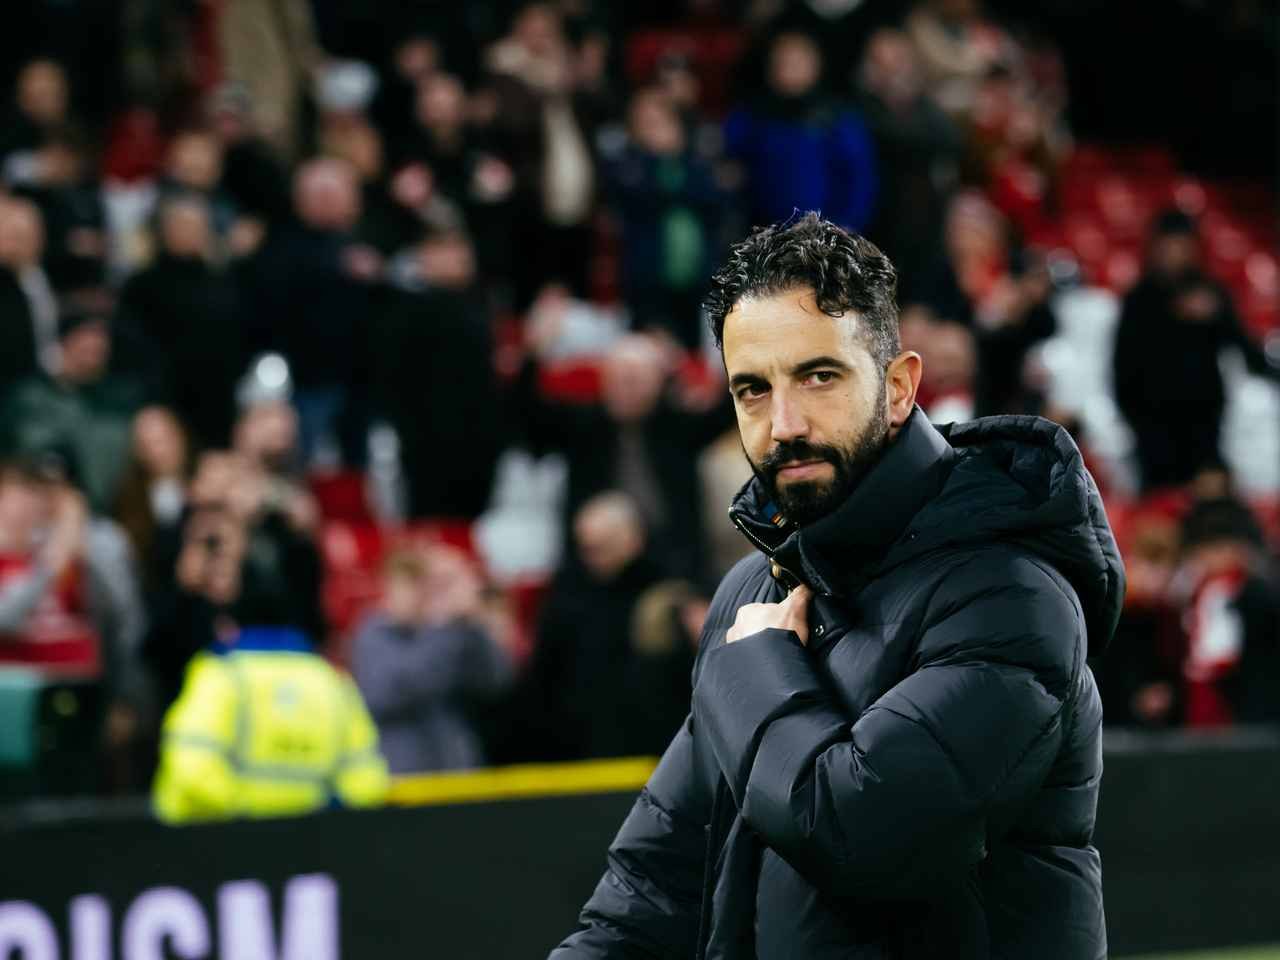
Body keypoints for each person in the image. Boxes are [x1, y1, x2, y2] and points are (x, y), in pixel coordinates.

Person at [551, 213, 1122, 959]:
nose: (783, 423)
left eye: (818, 376)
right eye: (752, 390)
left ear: (897, 388)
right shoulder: (751, 594)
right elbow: (652, 895)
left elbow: (865, 838)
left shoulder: (1012, 593)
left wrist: (752, 664)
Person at [152, 487, 387, 822]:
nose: (220, 573)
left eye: (229, 564)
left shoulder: (224, 673)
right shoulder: (327, 679)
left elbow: (193, 771)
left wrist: (250, 816)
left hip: (220, 841)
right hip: (301, 845)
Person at [1113, 209, 1279, 492]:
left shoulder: (1211, 295)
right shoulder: (1138, 301)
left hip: (1206, 428)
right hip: (1153, 432)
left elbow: (1243, 347)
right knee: (1162, 510)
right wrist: (1137, 424)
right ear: (1153, 248)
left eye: (1182, 246)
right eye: (1167, 245)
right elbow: (1122, 369)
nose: (1174, 254)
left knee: (1210, 505)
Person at [351, 544, 515, 774]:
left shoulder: (455, 633)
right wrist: (443, 625)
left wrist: (474, 627)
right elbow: (391, 691)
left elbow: (496, 682)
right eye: (434, 586)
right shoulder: (377, 631)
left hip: (459, 771)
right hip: (403, 776)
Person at [724, 31, 878, 234]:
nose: (787, 71)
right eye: (780, 63)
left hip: (826, 236)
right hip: (764, 234)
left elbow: (861, 179)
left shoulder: (837, 119)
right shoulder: (753, 116)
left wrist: (847, 225)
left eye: (796, 63)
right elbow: (730, 166)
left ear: (815, 66)